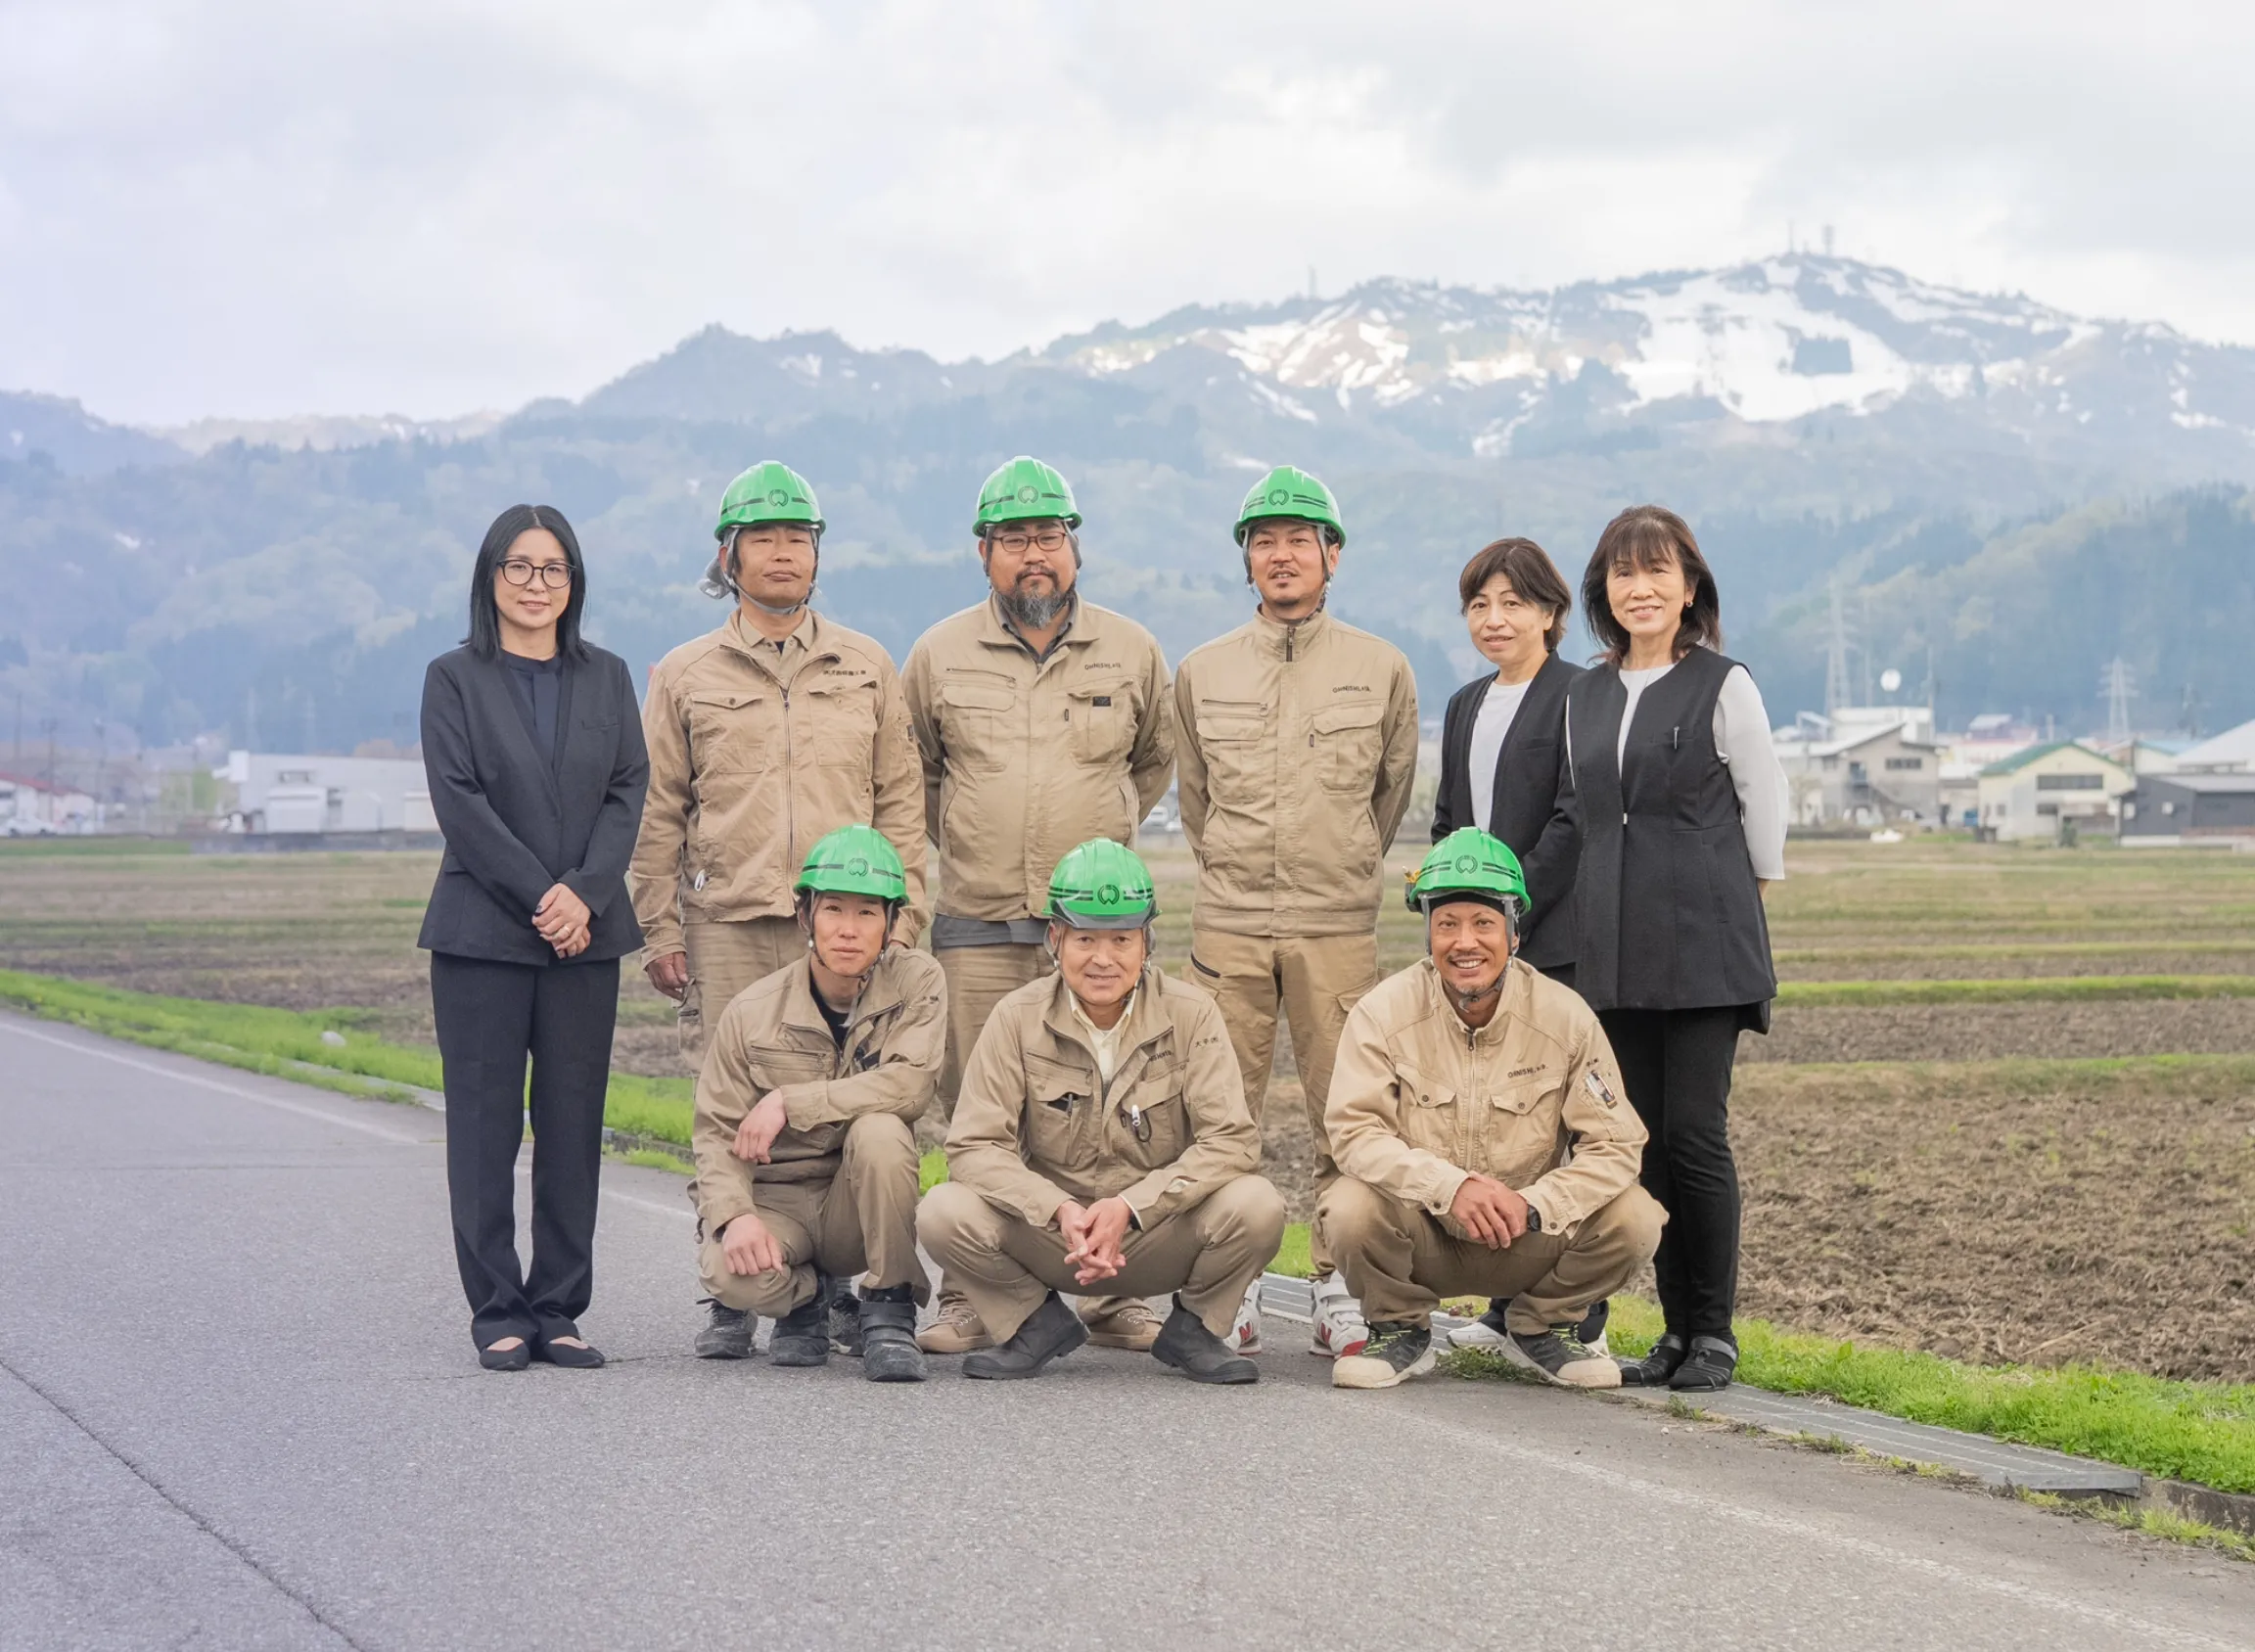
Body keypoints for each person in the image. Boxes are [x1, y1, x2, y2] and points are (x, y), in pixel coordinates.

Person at [901, 455, 1175, 1356]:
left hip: (1098, 933)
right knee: (977, 1117)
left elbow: (1151, 763)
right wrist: (973, 834)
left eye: (1049, 536)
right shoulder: (938, 654)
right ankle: (972, 1296)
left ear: (1075, 547)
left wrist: (1104, 833)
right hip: (979, 924)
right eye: (1013, 539)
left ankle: (1114, 1296)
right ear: (983, 552)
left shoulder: (1131, 651)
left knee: (1108, 1115)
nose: (1033, 555)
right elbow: (918, 774)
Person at [1171, 466, 1417, 1360]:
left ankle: (1337, 1288)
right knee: (1219, 1111)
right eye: (1264, 542)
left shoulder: (1381, 669)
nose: (1282, 556)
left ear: (1331, 555)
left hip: (1336, 924)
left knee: (1344, 1113)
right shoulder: (1201, 672)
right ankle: (1226, 1286)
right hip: (1229, 923)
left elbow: (1388, 796)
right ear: (1246, 559)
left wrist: (1336, 866)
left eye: (1299, 540)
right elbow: (1196, 801)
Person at [418, 503, 650, 1371]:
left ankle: (557, 1307)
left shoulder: (607, 677)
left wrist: (583, 895)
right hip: (481, 935)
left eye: (554, 569)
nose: (536, 584)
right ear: (490, 577)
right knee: (484, 1126)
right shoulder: (453, 678)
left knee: (572, 1124)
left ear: (573, 582)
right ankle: (497, 1311)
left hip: (584, 938)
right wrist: (542, 895)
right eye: (519, 566)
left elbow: (628, 789)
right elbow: (459, 801)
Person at [917, 841, 1285, 1384]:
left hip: (1153, 1235)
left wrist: (1131, 1208)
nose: (1103, 959)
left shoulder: (1192, 1014)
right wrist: (1057, 1208)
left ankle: (1195, 1330)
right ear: (1055, 939)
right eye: (1085, 938)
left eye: (1121, 939)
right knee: (943, 1210)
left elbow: (1231, 1141)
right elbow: (974, 1147)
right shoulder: (1016, 1018)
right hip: (1055, 1238)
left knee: (1258, 1205)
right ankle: (1033, 1324)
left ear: (1146, 941)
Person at [1562, 505, 1786, 1393]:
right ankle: (1672, 1335)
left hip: (1704, 951)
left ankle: (1714, 1334)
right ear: (1603, 592)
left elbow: (1763, 808)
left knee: (1696, 1137)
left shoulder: (1723, 685)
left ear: (1689, 588)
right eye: (1623, 573)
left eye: (1658, 571)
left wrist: (1733, 904)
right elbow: (1586, 818)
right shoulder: (1585, 694)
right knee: (1646, 1143)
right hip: (1613, 953)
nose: (1641, 588)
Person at [1321, 830, 1661, 1390]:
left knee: (1636, 1217)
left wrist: (1536, 1204)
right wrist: (1450, 1187)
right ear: (1428, 932)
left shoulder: (1566, 1017)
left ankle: (1542, 1327)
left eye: (1483, 923)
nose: (1465, 942)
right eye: (1446, 924)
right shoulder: (1381, 1013)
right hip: (1423, 1232)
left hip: (1528, 1235)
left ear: (1513, 932)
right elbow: (1354, 1133)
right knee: (1348, 1205)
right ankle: (1399, 1327)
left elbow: (1617, 1144)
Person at [628, 461, 926, 1059]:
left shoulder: (866, 665)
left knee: (847, 1084)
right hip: (726, 928)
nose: (782, 553)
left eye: (798, 538)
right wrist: (659, 932)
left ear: (817, 556)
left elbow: (900, 801)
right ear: (728, 558)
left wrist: (904, 920)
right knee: (730, 1090)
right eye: (762, 539)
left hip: (845, 917)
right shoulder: (686, 674)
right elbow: (657, 810)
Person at [688, 826, 942, 1383]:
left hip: (853, 1204)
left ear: (891, 922)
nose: (849, 930)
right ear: (806, 916)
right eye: (833, 910)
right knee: (729, 1275)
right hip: (775, 1198)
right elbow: (715, 1131)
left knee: (881, 1131)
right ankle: (810, 1299)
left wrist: (790, 1100)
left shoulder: (917, 983)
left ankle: (889, 1310)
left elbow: (911, 1085)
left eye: (867, 913)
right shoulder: (752, 1011)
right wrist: (735, 1216)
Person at [1428, 536, 1599, 1356]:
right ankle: (1506, 1303)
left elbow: (1575, 817)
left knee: (1562, 1123)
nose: (1494, 619)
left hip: (1554, 934)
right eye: (1479, 605)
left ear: (1550, 613)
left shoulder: (1578, 695)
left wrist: (1512, 903)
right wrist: (1461, 913)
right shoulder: (1467, 704)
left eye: (1513, 603)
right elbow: (1447, 822)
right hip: (1483, 947)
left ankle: (1576, 1313)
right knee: (1500, 1125)